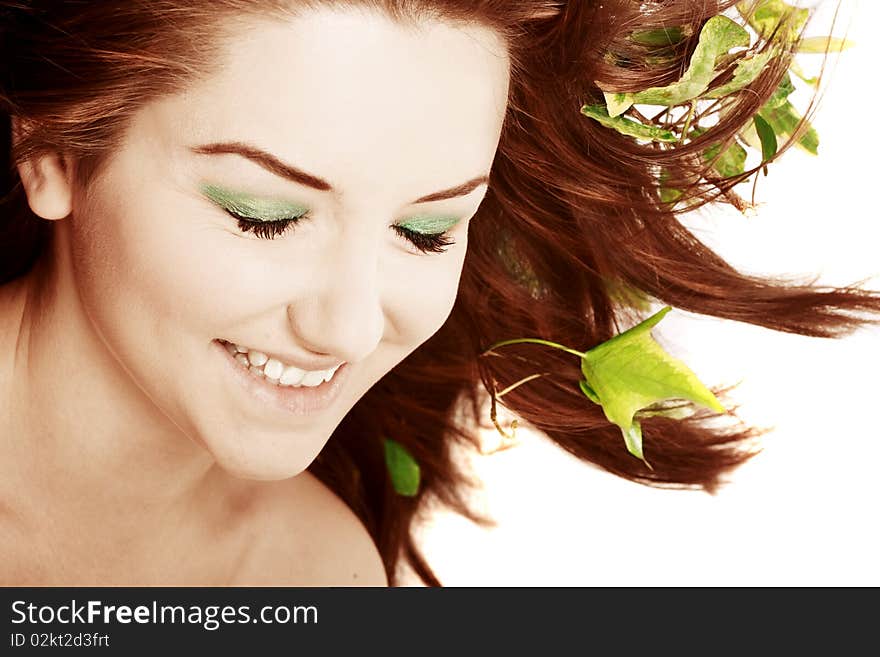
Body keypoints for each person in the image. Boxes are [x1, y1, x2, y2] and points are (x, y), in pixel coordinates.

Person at [0, 0, 876, 587]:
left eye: (425, 232)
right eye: (265, 216)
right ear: (53, 153)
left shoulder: (319, 574)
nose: (346, 325)